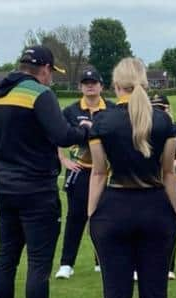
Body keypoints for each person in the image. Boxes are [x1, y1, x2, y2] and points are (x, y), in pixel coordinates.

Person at [0, 45, 88, 298]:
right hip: (36, 188)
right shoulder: (39, 94)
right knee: (39, 265)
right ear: (43, 68)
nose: (50, 78)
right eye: (50, 72)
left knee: (6, 259)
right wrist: (85, 130)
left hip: (5, 183)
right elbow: (62, 136)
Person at [88, 57, 176, 298]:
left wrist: (90, 215)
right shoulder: (164, 121)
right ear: (144, 83)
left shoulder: (102, 122)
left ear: (115, 86)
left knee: (116, 296)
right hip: (156, 208)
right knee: (155, 296)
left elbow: (98, 173)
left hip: (114, 209)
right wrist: (174, 214)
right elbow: (168, 173)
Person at [54, 67, 114, 279]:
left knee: (104, 217)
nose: (90, 85)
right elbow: (56, 135)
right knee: (76, 217)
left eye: (94, 82)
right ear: (80, 86)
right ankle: (66, 264)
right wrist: (63, 159)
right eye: (86, 82)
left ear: (101, 86)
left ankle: (101, 260)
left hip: (105, 172)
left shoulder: (112, 109)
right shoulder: (70, 111)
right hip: (80, 170)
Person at [150, 94, 176, 280]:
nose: (159, 112)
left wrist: (167, 166)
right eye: (155, 108)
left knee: (174, 222)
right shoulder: (145, 129)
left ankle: (169, 266)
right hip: (152, 183)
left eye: (162, 108)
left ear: (169, 109)